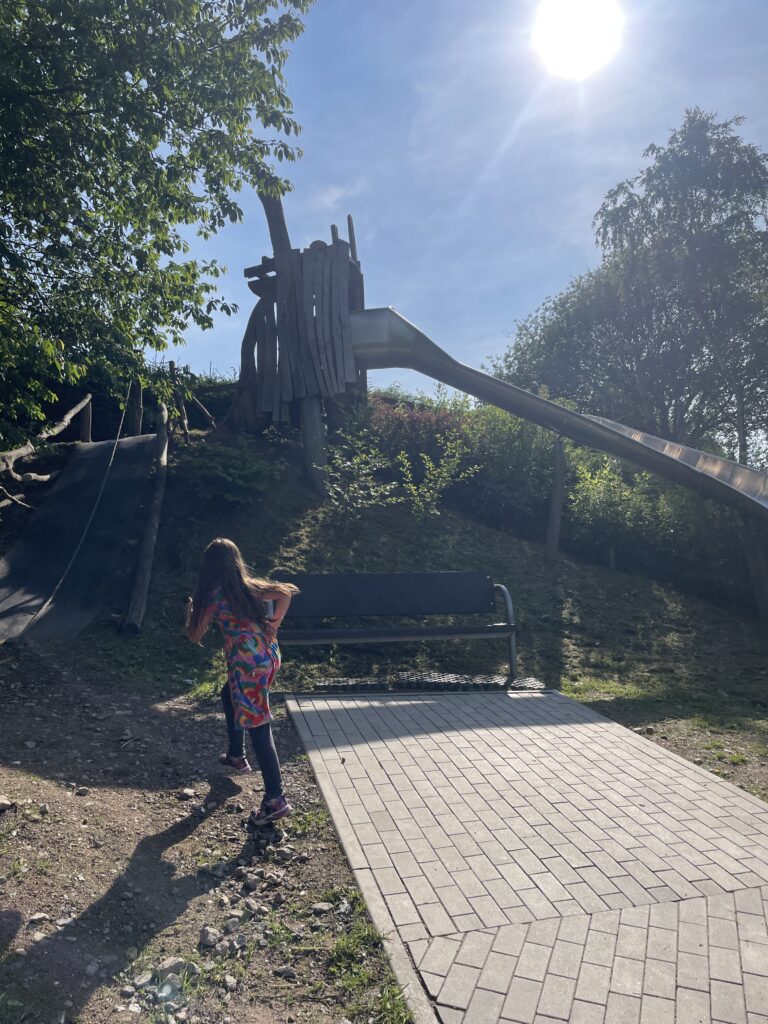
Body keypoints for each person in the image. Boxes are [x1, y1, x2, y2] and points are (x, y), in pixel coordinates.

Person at [185, 537, 299, 825]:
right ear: (236, 561)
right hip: (269, 655)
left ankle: (275, 799)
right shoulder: (248, 586)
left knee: (259, 725)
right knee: (228, 694)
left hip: (248, 665)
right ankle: (237, 755)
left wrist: (189, 611)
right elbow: (285, 593)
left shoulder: (211, 594)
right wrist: (273, 626)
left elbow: (194, 635)